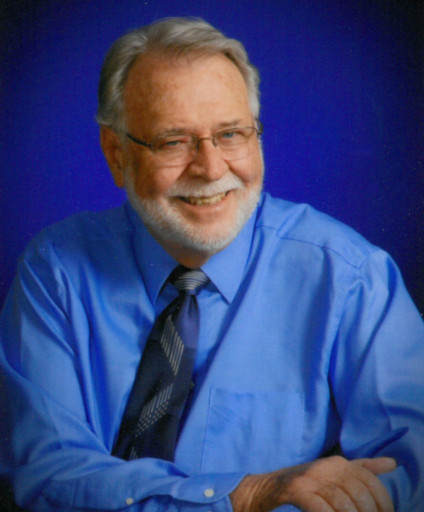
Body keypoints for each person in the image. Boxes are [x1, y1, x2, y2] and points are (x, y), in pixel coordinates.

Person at [0, 16, 423, 512]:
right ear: (116, 154)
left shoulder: (352, 280)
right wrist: (245, 495)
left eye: (230, 134)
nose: (210, 168)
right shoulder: (55, 272)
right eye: (173, 141)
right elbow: (45, 479)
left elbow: (407, 478)